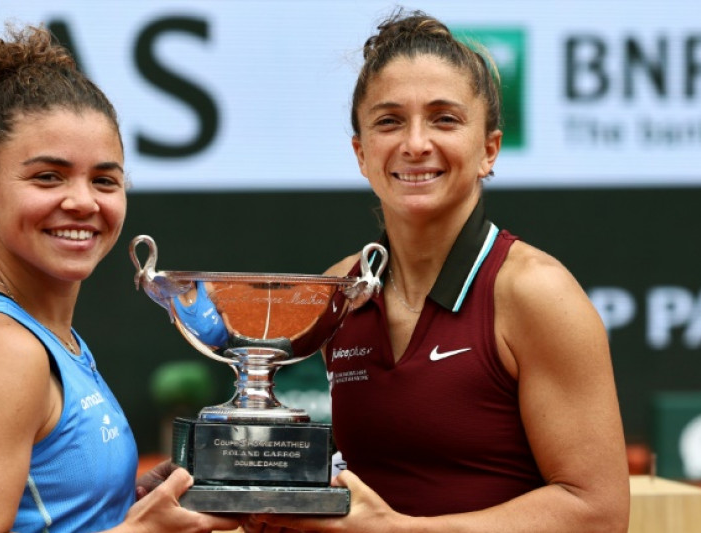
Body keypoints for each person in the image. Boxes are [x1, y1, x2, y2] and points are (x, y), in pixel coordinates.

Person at [245, 7, 630, 533]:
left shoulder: (535, 291)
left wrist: (400, 531)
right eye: (389, 121)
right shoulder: (344, 288)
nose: (416, 144)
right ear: (361, 153)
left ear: (488, 150)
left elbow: (599, 514)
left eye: (444, 119)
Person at [0, 24, 239, 533]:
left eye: (104, 180)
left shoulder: (50, 339)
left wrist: (142, 501)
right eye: (48, 177)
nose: (83, 201)